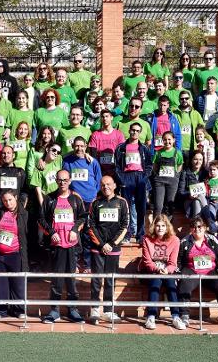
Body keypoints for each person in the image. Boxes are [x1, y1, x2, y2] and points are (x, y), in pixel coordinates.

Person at [39, 169, 86, 324]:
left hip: (72, 246)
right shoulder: (50, 199)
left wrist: (74, 229)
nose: (62, 183)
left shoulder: (76, 199)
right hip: (56, 245)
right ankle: (54, 310)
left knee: (71, 279)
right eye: (60, 180)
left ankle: (73, 310)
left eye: (65, 180)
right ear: (56, 181)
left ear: (70, 181)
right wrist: (51, 232)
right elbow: (41, 219)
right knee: (57, 279)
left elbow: (83, 217)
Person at [176, 217, 218, 330]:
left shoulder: (212, 240)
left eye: (199, 226)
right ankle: (184, 315)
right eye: (193, 227)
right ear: (190, 229)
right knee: (184, 283)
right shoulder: (184, 242)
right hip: (192, 270)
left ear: (205, 228)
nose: (197, 229)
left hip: (210, 271)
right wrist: (179, 273)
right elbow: (178, 261)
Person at [87, 175, 128, 324]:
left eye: (109, 184)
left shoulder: (122, 202)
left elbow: (125, 225)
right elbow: (91, 225)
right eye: (103, 185)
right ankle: (94, 310)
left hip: (114, 248)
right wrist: (102, 244)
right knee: (96, 279)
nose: (106, 187)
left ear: (115, 185)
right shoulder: (95, 203)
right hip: (98, 249)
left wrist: (111, 243)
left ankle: (109, 310)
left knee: (110, 280)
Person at [63, 136, 102, 271]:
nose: (79, 148)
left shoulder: (93, 162)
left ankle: (87, 264)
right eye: (77, 146)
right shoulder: (67, 161)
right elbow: (65, 179)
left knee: (87, 233)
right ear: (73, 146)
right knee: (74, 232)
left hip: (90, 202)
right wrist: (73, 193)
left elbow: (99, 181)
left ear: (86, 146)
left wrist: (94, 196)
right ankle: (74, 263)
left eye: (82, 146)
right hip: (75, 202)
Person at [0, 190, 29, 320]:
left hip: (15, 254)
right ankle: (1, 310)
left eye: (10, 200)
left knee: (18, 284)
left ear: (16, 198)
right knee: (1, 283)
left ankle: (19, 310)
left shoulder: (24, 214)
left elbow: (27, 235)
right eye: (5, 201)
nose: (8, 203)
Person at [139, 215, 180, 330]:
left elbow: (173, 263)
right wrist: (158, 269)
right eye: (157, 225)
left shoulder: (175, 240)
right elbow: (147, 262)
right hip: (150, 270)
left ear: (167, 227)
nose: (160, 228)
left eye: (163, 225)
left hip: (167, 270)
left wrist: (167, 270)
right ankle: (151, 316)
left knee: (171, 282)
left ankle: (176, 316)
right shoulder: (146, 239)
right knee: (156, 280)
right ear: (153, 227)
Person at [114, 122, 152, 242]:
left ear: (140, 133)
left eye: (137, 131)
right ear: (129, 131)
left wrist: (144, 177)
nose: (134, 132)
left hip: (140, 177)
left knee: (141, 207)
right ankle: (127, 234)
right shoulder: (120, 148)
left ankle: (140, 234)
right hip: (126, 177)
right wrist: (121, 179)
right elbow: (116, 166)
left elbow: (149, 165)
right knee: (127, 207)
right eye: (133, 130)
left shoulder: (144, 148)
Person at [151, 131, 183, 221]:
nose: (167, 141)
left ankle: (168, 228)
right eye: (165, 139)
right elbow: (155, 167)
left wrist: (176, 175)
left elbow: (180, 165)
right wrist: (158, 176)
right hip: (160, 181)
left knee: (169, 205)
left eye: (169, 139)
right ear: (162, 141)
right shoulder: (158, 153)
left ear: (173, 140)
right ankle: (155, 226)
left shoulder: (178, 153)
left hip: (172, 182)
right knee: (158, 205)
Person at [88, 109, 126, 177]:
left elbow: (122, 154)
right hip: (100, 170)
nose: (104, 118)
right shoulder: (95, 135)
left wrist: (116, 169)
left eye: (107, 116)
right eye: (102, 117)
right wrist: (98, 169)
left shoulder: (119, 134)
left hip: (116, 170)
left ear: (111, 117)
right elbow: (93, 155)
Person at [0, 145, 27, 210]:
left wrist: (20, 206)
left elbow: (24, 191)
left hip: (17, 209)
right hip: (1, 208)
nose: (6, 155)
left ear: (13, 155)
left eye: (8, 153)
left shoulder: (20, 171)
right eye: (4, 153)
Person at [174, 90, 205, 162]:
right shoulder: (174, 114)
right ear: (179, 100)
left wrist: (210, 139)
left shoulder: (196, 114)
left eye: (186, 98)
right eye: (182, 99)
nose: (184, 100)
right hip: (178, 147)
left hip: (192, 148)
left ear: (190, 99)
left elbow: (202, 129)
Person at [178, 150, 208, 218]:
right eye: (195, 159)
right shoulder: (185, 172)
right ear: (191, 160)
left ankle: (196, 224)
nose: (198, 162)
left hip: (202, 201)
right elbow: (180, 192)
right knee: (198, 197)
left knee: (197, 200)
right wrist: (189, 195)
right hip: (188, 201)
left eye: (200, 159)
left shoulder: (206, 173)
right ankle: (210, 221)